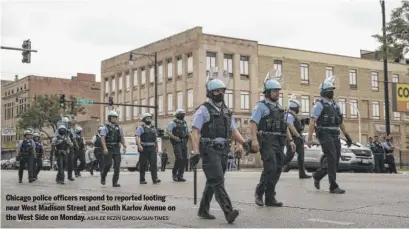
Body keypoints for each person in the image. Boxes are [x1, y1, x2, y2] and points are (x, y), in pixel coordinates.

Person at [191, 67, 247, 224]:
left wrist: (243, 143)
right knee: (217, 180)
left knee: (213, 181)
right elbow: (195, 131)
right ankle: (228, 212)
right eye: (216, 91)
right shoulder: (203, 110)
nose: (220, 93)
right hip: (209, 150)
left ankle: (203, 209)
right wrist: (195, 151)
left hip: (223, 150)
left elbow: (233, 129)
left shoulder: (227, 111)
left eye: (222, 90)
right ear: (209, 93)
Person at [250, 70, 296, 207]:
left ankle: (270, 197)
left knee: (277, 169)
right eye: (274, 91)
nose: (277, 93)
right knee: (270, 167)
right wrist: (254, 140)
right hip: (267, 141)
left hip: (279, 141)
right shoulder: (260, 107)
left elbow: (284, 126)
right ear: (267, 92)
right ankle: (259, 192)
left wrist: (291, 140)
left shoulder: (280, 108)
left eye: (278, 91)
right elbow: (253, 124)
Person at [306, 75, 352, 194]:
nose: (331, 92)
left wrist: (347, 136)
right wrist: (309, 138)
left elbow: (340, 122)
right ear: (324, 92)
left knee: (335, 160)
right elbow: (312, 121)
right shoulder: (319, 105)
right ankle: (333, 186)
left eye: (332, 90)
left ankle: (317, 175)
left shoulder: (336, 106)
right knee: (331, 157)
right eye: (329, 90)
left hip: (335, 134)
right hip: (324, 134)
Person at [282, 96, 311, 179]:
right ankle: (275, 168)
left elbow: (296, 125)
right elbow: (290, 126)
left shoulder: (294, 115)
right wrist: (298, 136)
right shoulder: (289, 115)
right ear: (295, 107)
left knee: (301, 156)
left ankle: (302, 173)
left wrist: (303, 121)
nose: (299, 109)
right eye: (298, 107)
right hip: (293, 139)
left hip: (298, 139)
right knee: (289, 157)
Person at [100, 110, 127, 187]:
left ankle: (115, 182)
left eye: (115, 117)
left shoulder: (119, 127)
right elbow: (102, 138)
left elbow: (122, 137)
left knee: (117, 165)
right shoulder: (105, 127)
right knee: (108, 164)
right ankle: (103, 176)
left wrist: (124, 146)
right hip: (108, 147)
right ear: (109, 118)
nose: (114, 118)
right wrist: (105, 148)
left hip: (116, 147)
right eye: (113, 117)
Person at [135, 113, 161, 184]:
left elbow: (155, 138)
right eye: (147, 118)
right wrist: (139, 145)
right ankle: (142, 179)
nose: (149, 119)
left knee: (153, 163)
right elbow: (137, 136)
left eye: (150, 118)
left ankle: (155, 179)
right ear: (144, 120)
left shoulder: (153, 128)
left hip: (152, 148)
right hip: (144, 148)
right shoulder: (141, 127)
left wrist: (157, 147)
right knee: (143, 164)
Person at [166, 108, 190, 182]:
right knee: (179, 158)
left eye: (183, 114)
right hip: (177, 142)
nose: (183, 115)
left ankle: (180, 175)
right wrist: (174, 137)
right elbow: (168, 131)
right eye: (181, 114)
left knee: (184, 159)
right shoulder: (172, 123)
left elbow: (188, 132)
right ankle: (174, 174)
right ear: (177, 115)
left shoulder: (185, 123)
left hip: (184, 142)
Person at [60, 116, 79, 181]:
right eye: (67, 123)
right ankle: (60, 177)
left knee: (71, 162)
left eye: (68, 123)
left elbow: (74, 138)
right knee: (63, 163)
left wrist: (77, 145)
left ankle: (70, 176)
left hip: (70, 148)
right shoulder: (60, 129)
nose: (68, 124)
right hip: (63, 148)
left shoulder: (71, 130)